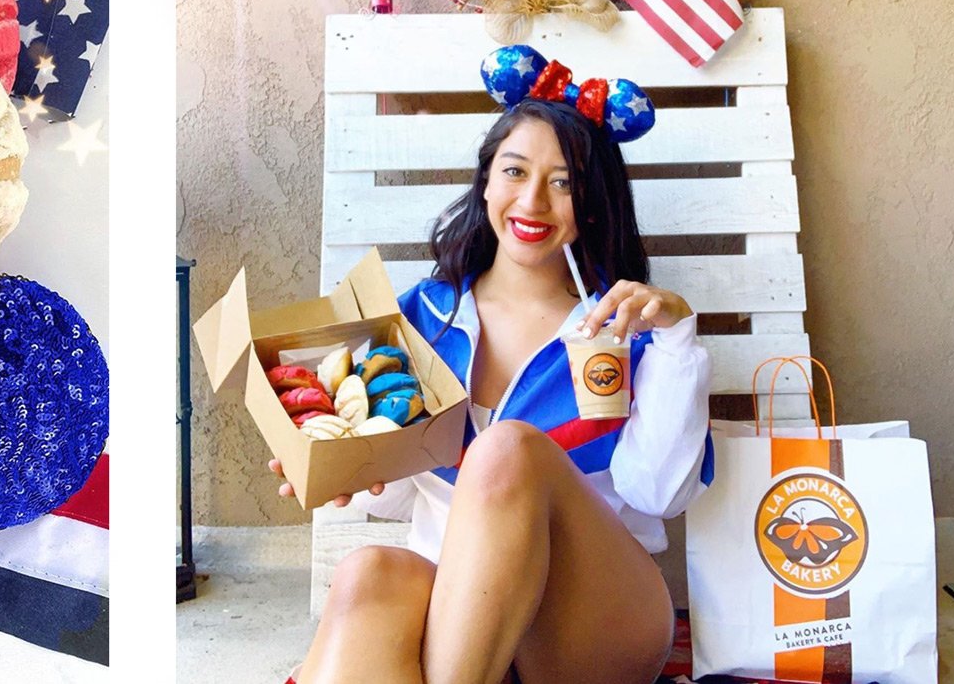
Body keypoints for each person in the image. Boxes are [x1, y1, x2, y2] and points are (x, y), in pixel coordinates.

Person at [278, 94, 713, 683]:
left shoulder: (627, 330)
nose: (532, 201)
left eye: (564, 182)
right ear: (486, 182)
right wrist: (340, 466)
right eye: (514, 171)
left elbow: (658, 494)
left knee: (508, 449)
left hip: (593, 622)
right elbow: (399, 502)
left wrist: (678, 341)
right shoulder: (420, 321)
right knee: (365, 573)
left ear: (592, 203)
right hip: (455, 618)